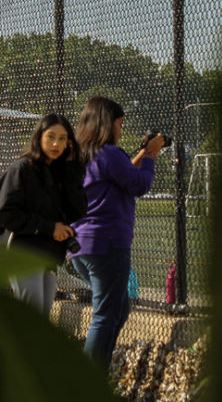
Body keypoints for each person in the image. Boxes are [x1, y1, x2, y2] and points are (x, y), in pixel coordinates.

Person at [69, 96, 166, 369]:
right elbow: (138, 184)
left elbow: (120, 175)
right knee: (104, 314)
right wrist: (151, 155)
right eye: (119, 125)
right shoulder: (109, 153)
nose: (121, 131)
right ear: (106, 124)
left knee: (118, 309)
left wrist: (140, 154)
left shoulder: (81, 153)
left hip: (81, 247)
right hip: (107, 245)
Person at [0, 114, 87, 314]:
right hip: (23, 252)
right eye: (51, 136)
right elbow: (5, 214)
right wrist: (49, 228)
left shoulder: (60, 172)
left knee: (41, 317)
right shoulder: (22, 168)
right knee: (32, 317)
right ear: (39, 137)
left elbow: (76, 211)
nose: (56, 143)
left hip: (49, 254)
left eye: (63, 139)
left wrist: (70, 166)